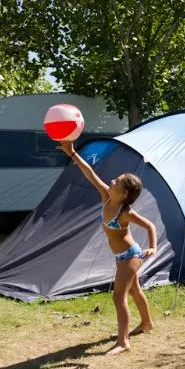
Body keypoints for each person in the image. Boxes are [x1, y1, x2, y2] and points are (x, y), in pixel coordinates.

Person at [58, 140, 156, 355]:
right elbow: (89, 173)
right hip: (121, 256)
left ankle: (123, 342)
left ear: (124, 194)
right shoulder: (106, 196)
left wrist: (153, 247)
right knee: (135, 290)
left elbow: (150, 225)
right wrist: (72, 153)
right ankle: (147, 323)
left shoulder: (125, 212)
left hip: (130, 256)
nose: (111, 181)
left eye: (116, 181)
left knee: (118, 297)